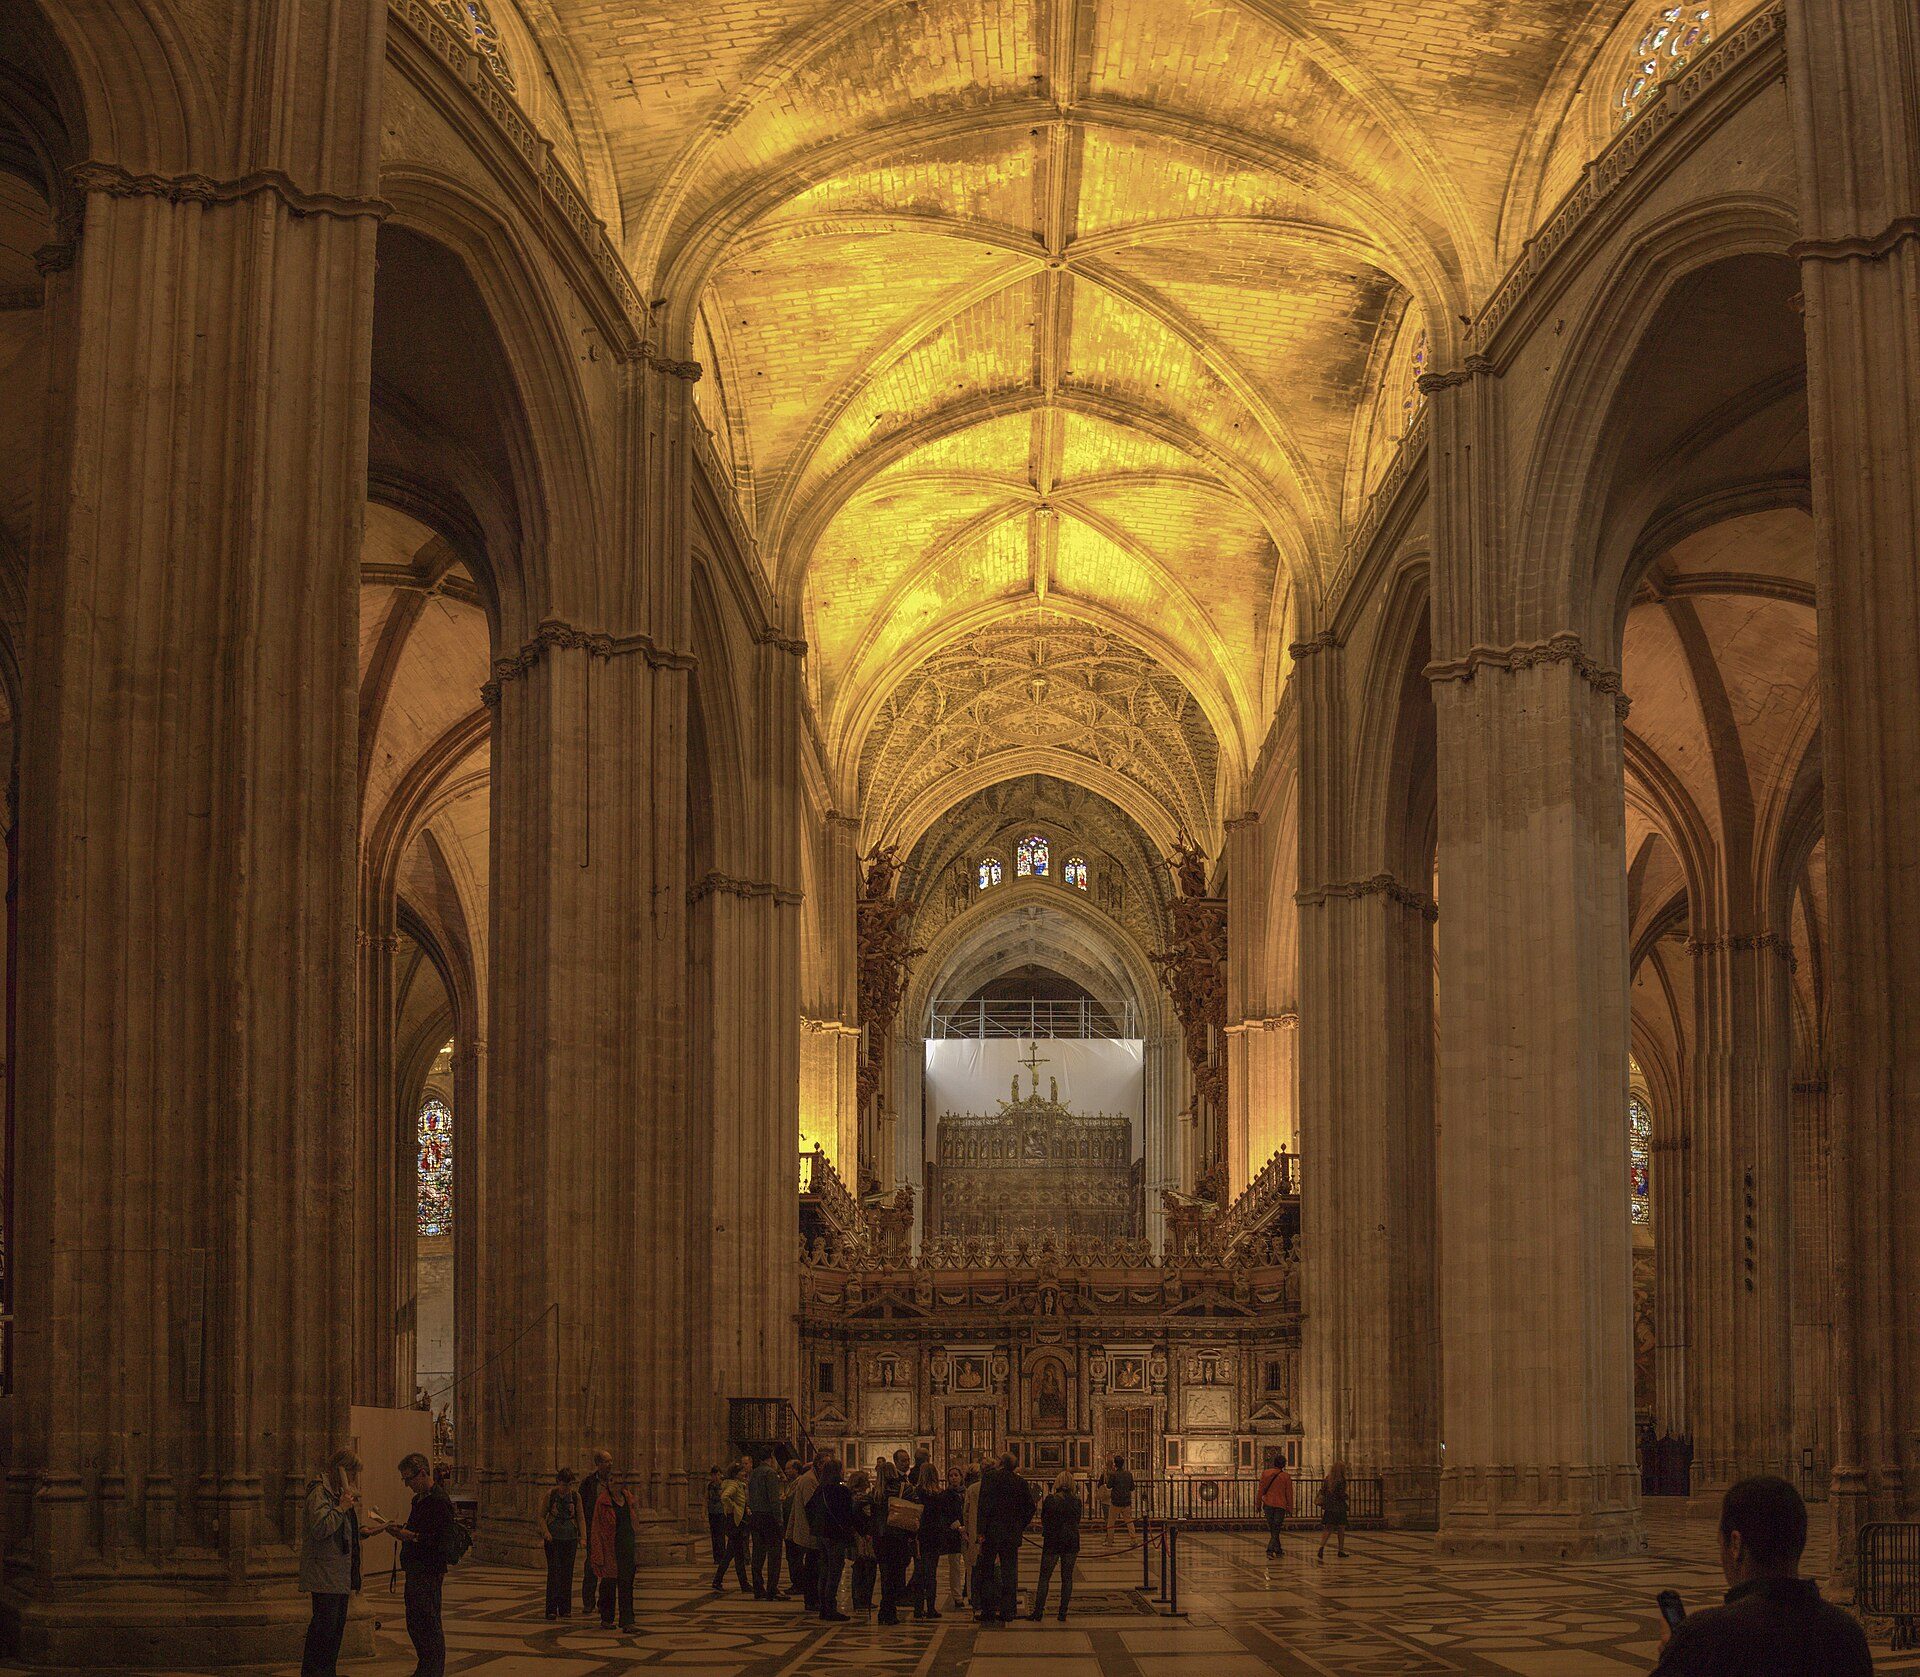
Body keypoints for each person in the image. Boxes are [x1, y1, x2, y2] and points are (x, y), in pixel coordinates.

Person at [1651, 1476, 1871, 1674]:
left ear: (1735, 1544)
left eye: (1720, 1544)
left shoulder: (1705, 1637)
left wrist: (1674, 1655)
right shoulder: (1847, 1635)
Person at [299, 1448, 374, 1677]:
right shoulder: (319, 1492)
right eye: (351, 1473)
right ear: (339, 1470)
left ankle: (327, 1672)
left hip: (339, 1575)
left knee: (335, 1630)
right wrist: (341, 1507)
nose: (352, 1480)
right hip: (325, 1574)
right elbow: (321, 1528)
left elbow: (340, 1529)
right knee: (323, 1630)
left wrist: (361, 1531)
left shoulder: (336, 1493)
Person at [383, 1452, 457, 1677]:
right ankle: (425, 1667)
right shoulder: (418, 1500)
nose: (407, 1485)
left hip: (429, 1570)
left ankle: (432, 1671)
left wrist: (412, 1537)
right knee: (415, 1622)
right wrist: (402, 1530)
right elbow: (419, 1527)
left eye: (409, 1479)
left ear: (423, 1473)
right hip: (415, 1568)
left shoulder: (439, 1501)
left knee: (428, 1622)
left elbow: (440, 1539)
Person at [975, 1453, 1036, 1624]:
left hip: (991, 1533)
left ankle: (987, 1611)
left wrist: (981, 1531)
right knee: (1009, 1572)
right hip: (1011, 1534)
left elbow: (983, 1506)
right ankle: (1008, 1611)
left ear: (1001, 1463)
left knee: (987, 1572)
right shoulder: (1020, 1482)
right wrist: (1020, 1525)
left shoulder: (989, 1478)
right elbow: (1030, 1507)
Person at [588, 1466, 639, 1631]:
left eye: (617, 1479)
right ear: (607, 1483)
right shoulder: (602, 1502)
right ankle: (607, 1618)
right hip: (609, 1547)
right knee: (608, 1584)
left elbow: (633, 1519)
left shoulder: (628, 1498)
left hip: (627, 1546)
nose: (615, 1483)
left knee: (626, 1584)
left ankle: (627, 1620)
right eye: (611, 1480)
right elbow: (596, 1527)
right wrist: (597, 1551)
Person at [806, 1456, 857, 1621]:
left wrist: (816, 1527)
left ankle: (823, 1607)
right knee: (834, 1571)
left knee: (824, 1570)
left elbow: (809, 1508)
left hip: (821, 1535)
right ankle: (830, 1608)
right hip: (835, 1535)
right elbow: (848, 1514)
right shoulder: (841, 1490)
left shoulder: (820, 1489)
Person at [1027, 1471, 1081, 1622]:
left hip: (1053, 1541)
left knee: (1044, 1577)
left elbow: (1045, 1519)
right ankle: (1062, 1613)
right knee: (1067, 1578)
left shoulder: (1051, 1500)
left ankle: (1038, 1612)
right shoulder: (1077, 1501)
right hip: (1071, 1541)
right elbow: (1077, 1520)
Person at [874, 1452, 914, 1625]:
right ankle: (890, 1611)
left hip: (880, 1538)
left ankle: (885, 1610)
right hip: (897, 1537)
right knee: (897, 1575)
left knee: (885, 1576)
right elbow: (913, 1511)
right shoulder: (903, 1488)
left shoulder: (876, 1492)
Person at [537, 1467, 582, 1620]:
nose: (566, 1488)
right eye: (563, 1484)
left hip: (570, 1537)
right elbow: (542, 1516)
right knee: (554, 1572)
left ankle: (565, 1608)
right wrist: (546, 1532)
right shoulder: (551, 1495)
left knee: (567, 1573)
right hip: (553, 1538)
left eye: (569, 1485)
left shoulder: (576, 1497)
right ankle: (551, 1608)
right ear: (558, 1482)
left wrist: (583, 1537)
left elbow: (580, 1517)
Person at [746, 1448, 786, 1600]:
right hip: (769, 1517)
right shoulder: (770, 1473)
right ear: (771, 1458)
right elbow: (774, 1500)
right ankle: (771, 1589)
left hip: (756, 1517)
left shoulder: (754, 1473)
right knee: (774, 1555)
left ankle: (758, 1588)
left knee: (757, 1554)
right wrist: (779, 1519)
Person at [578, 1449, 614, 1614]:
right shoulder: (588, 1483)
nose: (610, 1464)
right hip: (594, 1529)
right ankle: (588, 1602)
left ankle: (604, 1603)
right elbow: (582, 1506)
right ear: (598, 1464)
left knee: (609, 1568)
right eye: (606, 1461)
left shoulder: (614, 1482)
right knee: (591, 1565)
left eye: (610, 1461)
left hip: (610, 1531)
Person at [909, 1461, 946, 1620]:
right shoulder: (939, 1495)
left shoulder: (916, 1493)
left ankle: (918, 1608)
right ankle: (931, 1608)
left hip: (920, 1536)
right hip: (935, 1536)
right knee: (931, 1573)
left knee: (919, 1572)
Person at [785, 1455, 821, 1611]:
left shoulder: (806, 1480)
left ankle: (810, 1596)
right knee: (810, 1564)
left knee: (810, 1563)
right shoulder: (808, 1481)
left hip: (806, 1529)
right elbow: (810, 1507)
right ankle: (810, 1597)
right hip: (808, 1530)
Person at [713, 1456, 751, 1593]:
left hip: (735, 1523)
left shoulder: (736, 1484)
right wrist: (734, 1508)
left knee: (733, 1554)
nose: (744, 1473)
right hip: (735, 1523)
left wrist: (743, 1508)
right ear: (736, 1474)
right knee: (734, 1555)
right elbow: (724, 1497)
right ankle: (740, 1584)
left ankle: (742, 1584)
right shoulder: (734, 1484)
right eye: (742, 1471)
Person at [847, 1468, 878, 1612]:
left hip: (855, 1535)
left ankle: (857, 1598)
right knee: (867, 1568)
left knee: (858, 1567)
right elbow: (867, 1517)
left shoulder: (850, 1496)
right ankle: (863, 1599)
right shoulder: (863, 1499)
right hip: (864, 1537)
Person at [940, 1466, 970, 1611]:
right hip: (953, 1533)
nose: (953, 1478)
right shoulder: (945, 1495)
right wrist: (956, 1526)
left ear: (961, 1477)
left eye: (956, 1475)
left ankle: (970, 1593)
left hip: (968, 1532)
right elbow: (944, 1514)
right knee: (955, 1566)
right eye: (951, 1475)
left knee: (970, 1565)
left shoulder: (967, 1493)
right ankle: (957, 1597)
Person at [1257, 1450, 1294, 1558]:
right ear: (1283, 1465)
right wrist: (1290, 1508)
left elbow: (1260, 1490)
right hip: (1280, 1505)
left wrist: (1258, 1504)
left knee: (1273, 1528)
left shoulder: (1265, 1473)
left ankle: (1278, 1550)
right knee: (1276, 1528)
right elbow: (1289, 1494)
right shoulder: (1286, 1476)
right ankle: (1270, 1550)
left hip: (1268, 1504)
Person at [1316, 1459, 1349, 1561]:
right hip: (1339, 1508)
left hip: (1330, 1507)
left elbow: (1323, 1491)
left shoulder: (1327, 1479)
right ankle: (1341, 1550)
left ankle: (1321, 1547)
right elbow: (1340, 1494)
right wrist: (1346, 1496)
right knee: (1341, 1529)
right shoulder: (1341, 1480)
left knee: (1328, 1529)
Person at [1101, 1454, 1136, 1550]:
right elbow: (1132, 1487)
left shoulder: (1114, 1474)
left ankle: (1110, 1541)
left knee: (1111, 1522)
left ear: (1115, 1464)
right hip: (1126, 1501)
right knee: (1129, 1521)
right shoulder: (1129, 1474)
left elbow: (1108, 1486)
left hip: (1116, 1502)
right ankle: (1133, 1540)